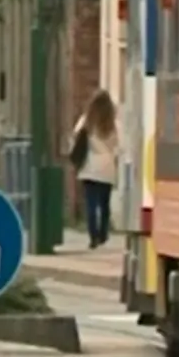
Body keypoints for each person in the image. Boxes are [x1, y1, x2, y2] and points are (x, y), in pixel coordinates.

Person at [71, 90, 121, 249]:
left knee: (91, 204)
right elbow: (118, 145)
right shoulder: (113, 123)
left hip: (90, 166)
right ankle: (103, 234)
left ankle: (93, 237)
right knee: (104, 203)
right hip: (107, 167)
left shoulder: (87, 121)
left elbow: (75, 135)